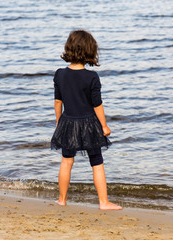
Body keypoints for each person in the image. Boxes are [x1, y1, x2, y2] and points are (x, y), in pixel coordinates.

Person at [51, 30, 122, 210]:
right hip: (89, 124)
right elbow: (97, 105)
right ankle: (103, 202)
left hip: (68, 122)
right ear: (90, 51)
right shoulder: (92, 77)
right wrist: (104, 126)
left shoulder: (60, 74)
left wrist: (59, 122)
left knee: (67, 161)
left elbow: (58, 101)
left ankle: (61, 200)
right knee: (96, 161)